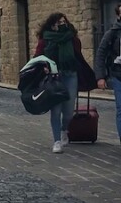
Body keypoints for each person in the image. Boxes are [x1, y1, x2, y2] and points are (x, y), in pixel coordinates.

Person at [33, 12, 95, 154]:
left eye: (63, 22)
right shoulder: (46, 40)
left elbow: (78, 58)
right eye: (58, 22)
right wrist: (43, 67)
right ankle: (57, 141)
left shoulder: (72, 40)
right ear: (52, 25)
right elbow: (37, 58)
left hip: (70, 75)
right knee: (56, 110)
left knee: (68, 112)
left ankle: (64, 129)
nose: (61, 24)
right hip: (54, 78)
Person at [96, 2, 121, 145]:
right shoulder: (112, 33)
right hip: (118, 75)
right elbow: (101, 54)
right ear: (118, 15)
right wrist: (100, 77)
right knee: (120, 109)